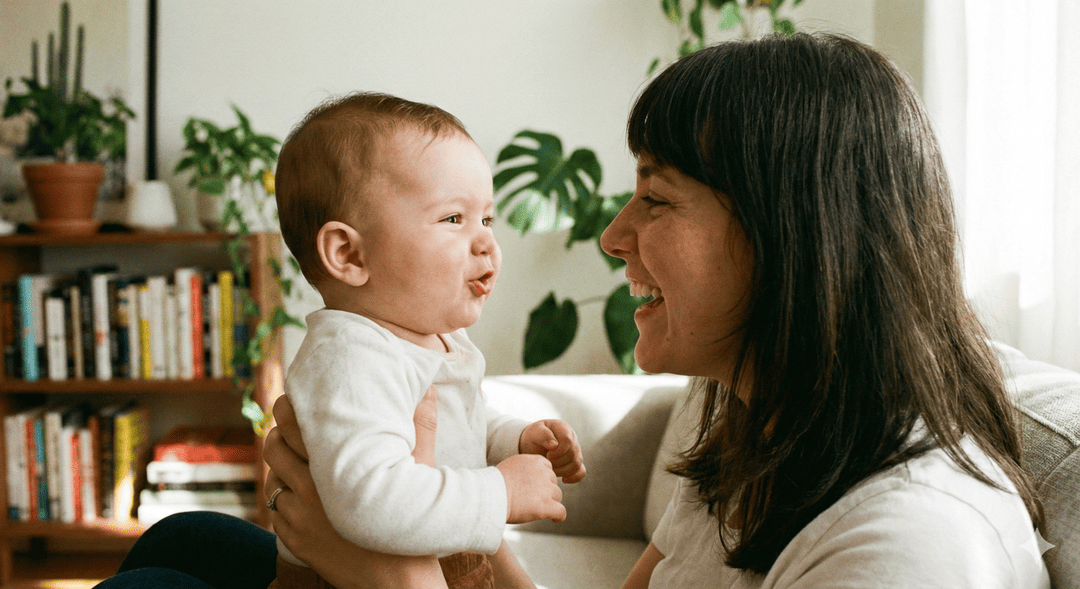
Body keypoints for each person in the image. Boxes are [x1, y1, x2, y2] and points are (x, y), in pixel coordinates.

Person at [96, 32, 1050, 588]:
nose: (613, 235)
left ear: (792, 234)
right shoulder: (765, 421)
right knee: (185, 539)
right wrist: (480, 552)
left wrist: (393, 577)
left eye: (657, 199)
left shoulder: (908, 551)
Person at [268, 92, 584, 589]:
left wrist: (514, 438)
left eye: (487, 219)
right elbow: (370, 500)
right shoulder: (351, 358)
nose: (486, 241)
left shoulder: (435, 339)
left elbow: (458, 427)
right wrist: (498, 493)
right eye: (453, 219)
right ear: (349, 254)